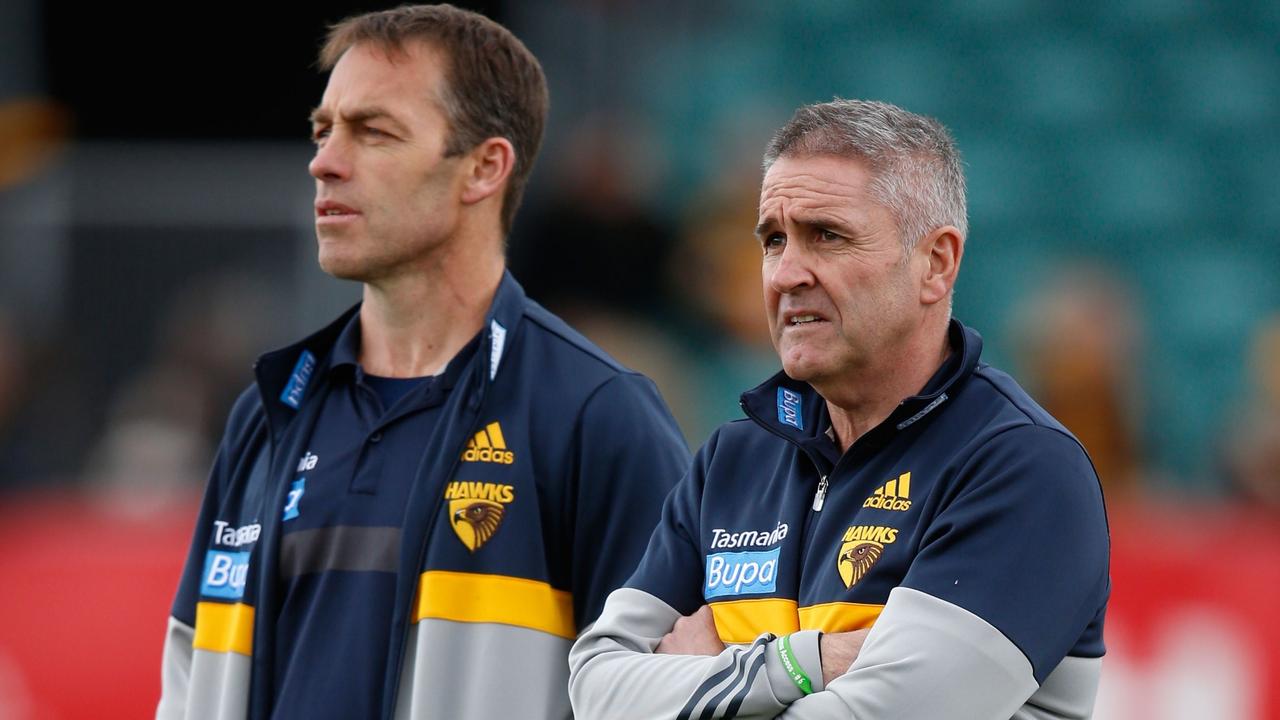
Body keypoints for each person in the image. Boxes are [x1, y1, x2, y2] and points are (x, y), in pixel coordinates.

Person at [156, 6, 690, 719]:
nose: (324, 161)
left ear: (484, 168)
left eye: (372, 132)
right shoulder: (269, 411)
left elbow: (669, 694)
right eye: (323, 130)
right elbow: (191, 680)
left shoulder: (597, 415)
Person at [569, 99, 1110, 719]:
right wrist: (806, 663)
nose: (785, 274)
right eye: (774, 240)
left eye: (826, 236)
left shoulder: (1021, 467)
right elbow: (594, 692)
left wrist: (697, 679)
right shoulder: (733, 459)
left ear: (936, 263)